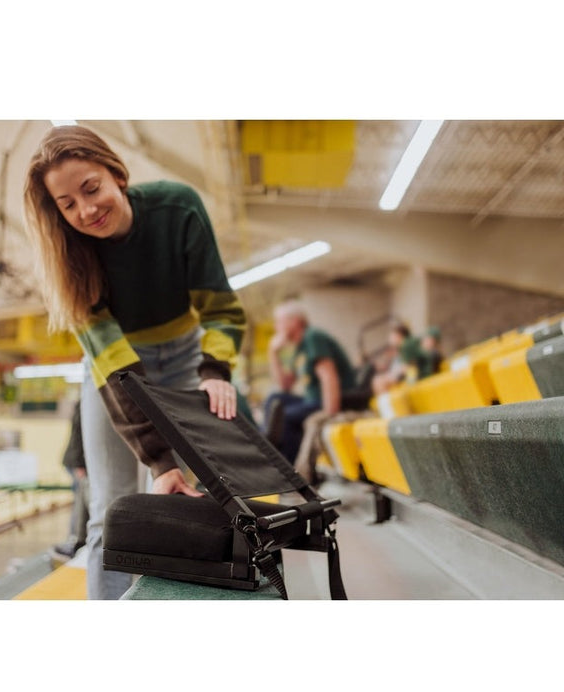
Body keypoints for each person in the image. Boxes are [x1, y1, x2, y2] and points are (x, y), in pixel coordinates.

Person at [24, 125, 246, 600]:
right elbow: (115, 365)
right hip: (113, 370)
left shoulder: (178, 207)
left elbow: (221, 310)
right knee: (112, 508)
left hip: (186, 354)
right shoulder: (70, 259)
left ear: (117, 174)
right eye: (67, 204)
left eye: (92, 188)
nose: (86, 210)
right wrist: (158, 459)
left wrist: (215, 371)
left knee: (187, 500)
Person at [264, 300, 357, 466]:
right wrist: (273, 353)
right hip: (312, 400)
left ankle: (288, 469)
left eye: (280, 322)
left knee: (286, 417)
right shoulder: (299, 347)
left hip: (332, 400)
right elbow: (285, 385)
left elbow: (329, 376)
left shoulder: (313, 336)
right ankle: (267, 451)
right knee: (275, 398)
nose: (276, 327)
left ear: (295, 321)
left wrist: (330, 414)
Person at [52, 399, 89, 559]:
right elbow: (79, 434)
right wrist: (80, 463)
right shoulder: (86, 402)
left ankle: (77, 540)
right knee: (80, 502)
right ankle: (75, 541)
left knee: (82, 502)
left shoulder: (85, 401)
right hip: (79, 462)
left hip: (81, 461)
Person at [371, 322, 412, 395]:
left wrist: (393, 376)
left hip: (400, 378)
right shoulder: (397, 352)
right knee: (376, 379)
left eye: (393, 336)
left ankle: (386, 404)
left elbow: (405, 369)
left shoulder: (407, 350)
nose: (390, 339)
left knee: (378, 381)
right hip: (394, 376)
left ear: (399, 337)